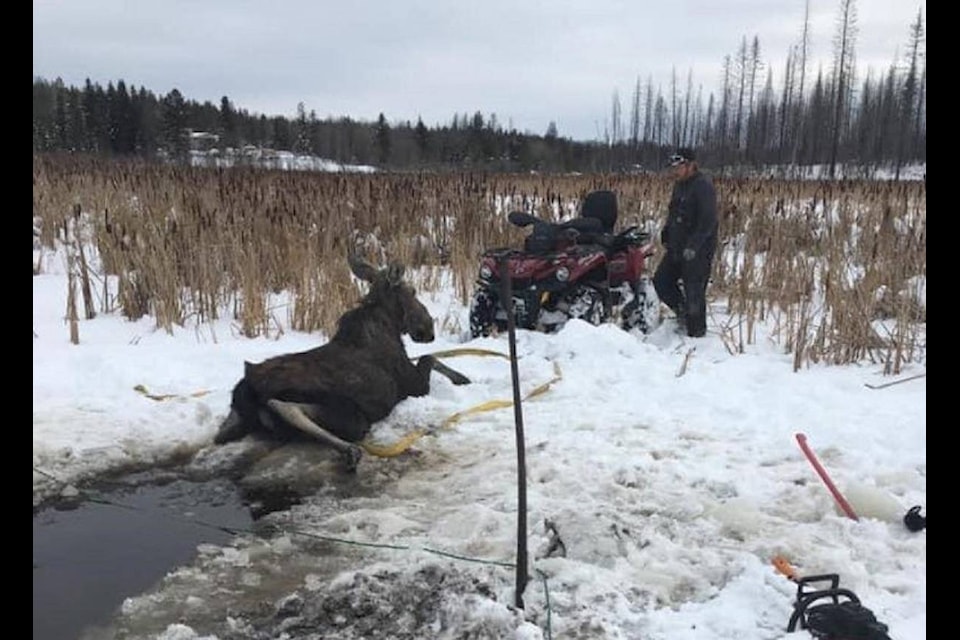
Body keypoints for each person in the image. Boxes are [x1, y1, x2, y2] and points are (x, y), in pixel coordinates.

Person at [652, 148, 718, 338]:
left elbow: (708, 220)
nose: (675, 171)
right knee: (661, 282)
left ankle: (696, 334)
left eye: (678, 167)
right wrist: (667, 231)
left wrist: (694, 246)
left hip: (697, 251)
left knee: (694, 291)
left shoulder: (703, 186)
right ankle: (682, 313)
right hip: (677, 247)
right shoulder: (679, 186)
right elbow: (674, 212)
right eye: (673, 168)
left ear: (691, 165)